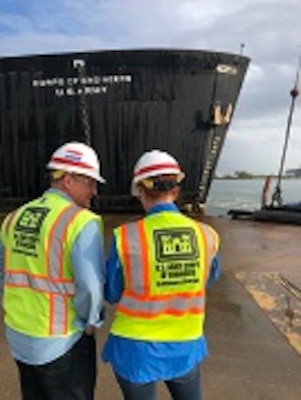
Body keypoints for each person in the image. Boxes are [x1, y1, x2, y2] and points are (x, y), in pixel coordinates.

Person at [103, 149, 221, 400]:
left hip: (134, 348)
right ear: (176, 191)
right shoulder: (206, 235)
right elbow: (208, 279)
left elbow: (112, 293)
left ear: (141, 192)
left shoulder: (125, 237)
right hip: (185, 343)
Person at [0, 141, 106, 400]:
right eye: (90, 182)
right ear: (68, 180)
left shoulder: (13, 218)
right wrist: (91, 321)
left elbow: (4, 273)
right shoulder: (81, 222)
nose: (93, 191)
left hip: (19, 336)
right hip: (62, 340)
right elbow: (90, 288)